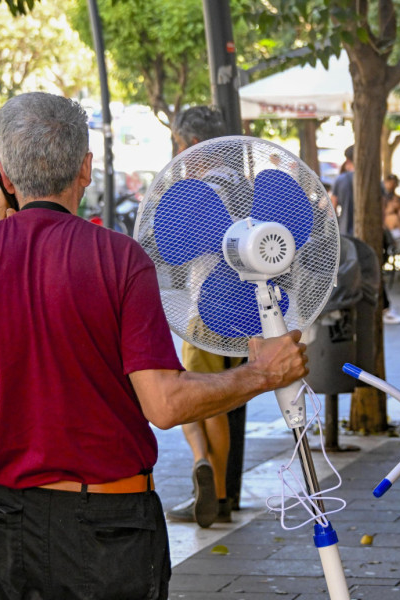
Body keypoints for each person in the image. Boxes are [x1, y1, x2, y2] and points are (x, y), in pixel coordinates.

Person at [0, 92, 308, 600]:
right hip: (107, 526)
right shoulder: (119, 258)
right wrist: (264, 374)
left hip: (5, 519)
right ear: (86, 169)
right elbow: (164, 406)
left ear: (5, 178)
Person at [163, 105, 242, 527]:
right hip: (243, 306)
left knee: (195, 397)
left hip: (205, 305)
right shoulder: (242, 184)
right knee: (220, 402)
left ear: (193, 145)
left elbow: (173, 248)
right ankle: (220, 492)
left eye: (178, 147)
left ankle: (204, 469)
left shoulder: (199, 193)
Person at [333, 146, 400, 324]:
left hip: (344, 236)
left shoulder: (340, 180)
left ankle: (347, 310)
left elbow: (330, 208)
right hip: (369, 237)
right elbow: (381, 210)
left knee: (346, 273)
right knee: (372, 272)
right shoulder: (375, 181)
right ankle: (383, 308)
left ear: (348, 160)